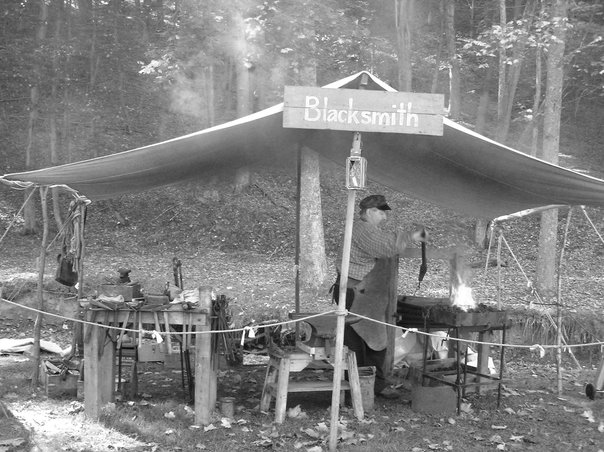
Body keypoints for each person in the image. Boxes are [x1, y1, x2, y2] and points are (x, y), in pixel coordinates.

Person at [336, 194, 426, 399]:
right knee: (356, 346)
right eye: (381, 212)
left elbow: (385, 243)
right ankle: (357, 392)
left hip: (368, 296)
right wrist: (412, 236)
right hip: (354, 294)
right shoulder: (361, 229)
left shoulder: (369, 230)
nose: (385, 217)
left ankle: (372, 387)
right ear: (369, 212)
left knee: (376, 342)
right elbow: (386, 246)